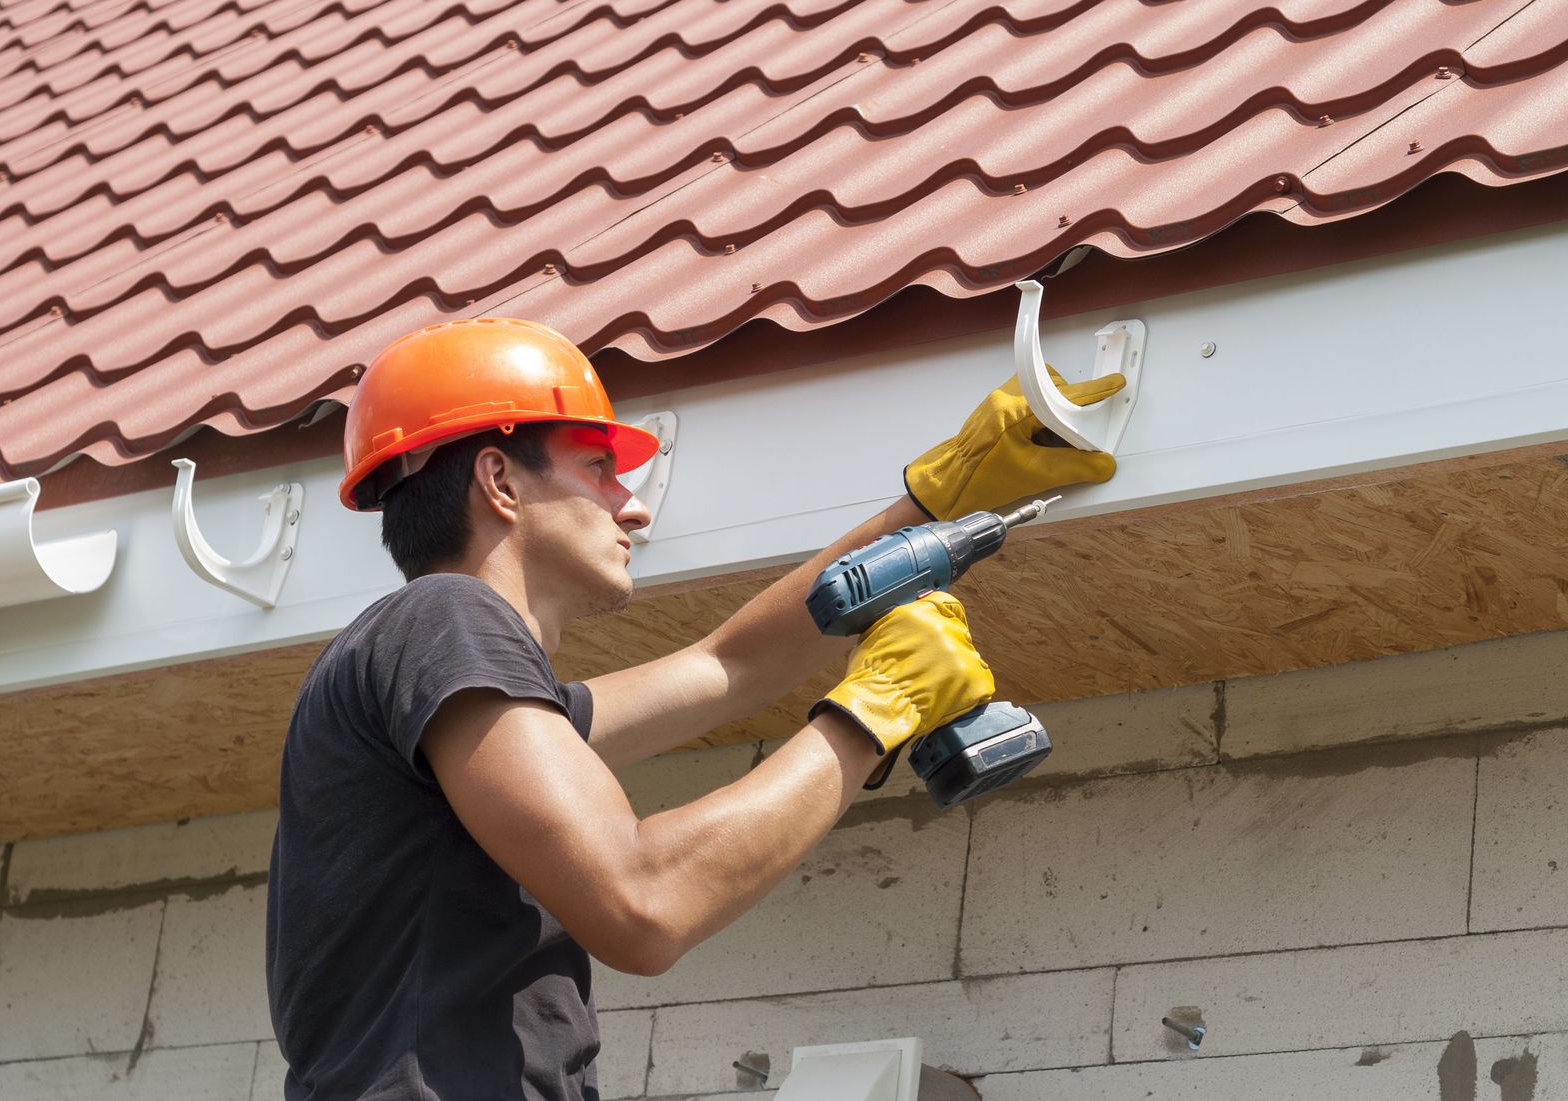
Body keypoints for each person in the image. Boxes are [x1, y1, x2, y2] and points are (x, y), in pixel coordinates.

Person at [264, 316, 1123, 1100]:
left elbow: (730, 667)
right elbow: (644, 902)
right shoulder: (444, 619)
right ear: (499, 478)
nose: (630, 502)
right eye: (598, 468)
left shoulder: (453, 687)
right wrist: (872, 712)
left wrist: (939, 502)